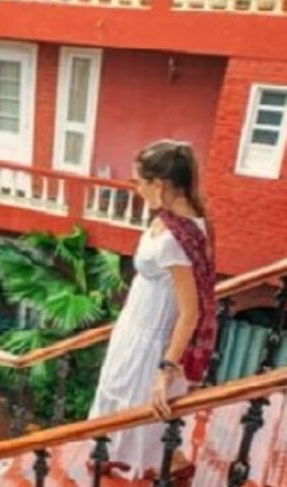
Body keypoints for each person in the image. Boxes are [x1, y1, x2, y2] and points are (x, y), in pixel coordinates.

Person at [85, 140, 218, 482]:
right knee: (120, 398)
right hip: (135, 327)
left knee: (139, 407)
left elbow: (190, 311)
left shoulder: (177, 239)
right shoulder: (175, 220)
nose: (137, 190)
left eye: (139, 183)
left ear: (158, 185)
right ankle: (122, 457)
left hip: (152, 340)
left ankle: (163, 466)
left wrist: (166, 369)